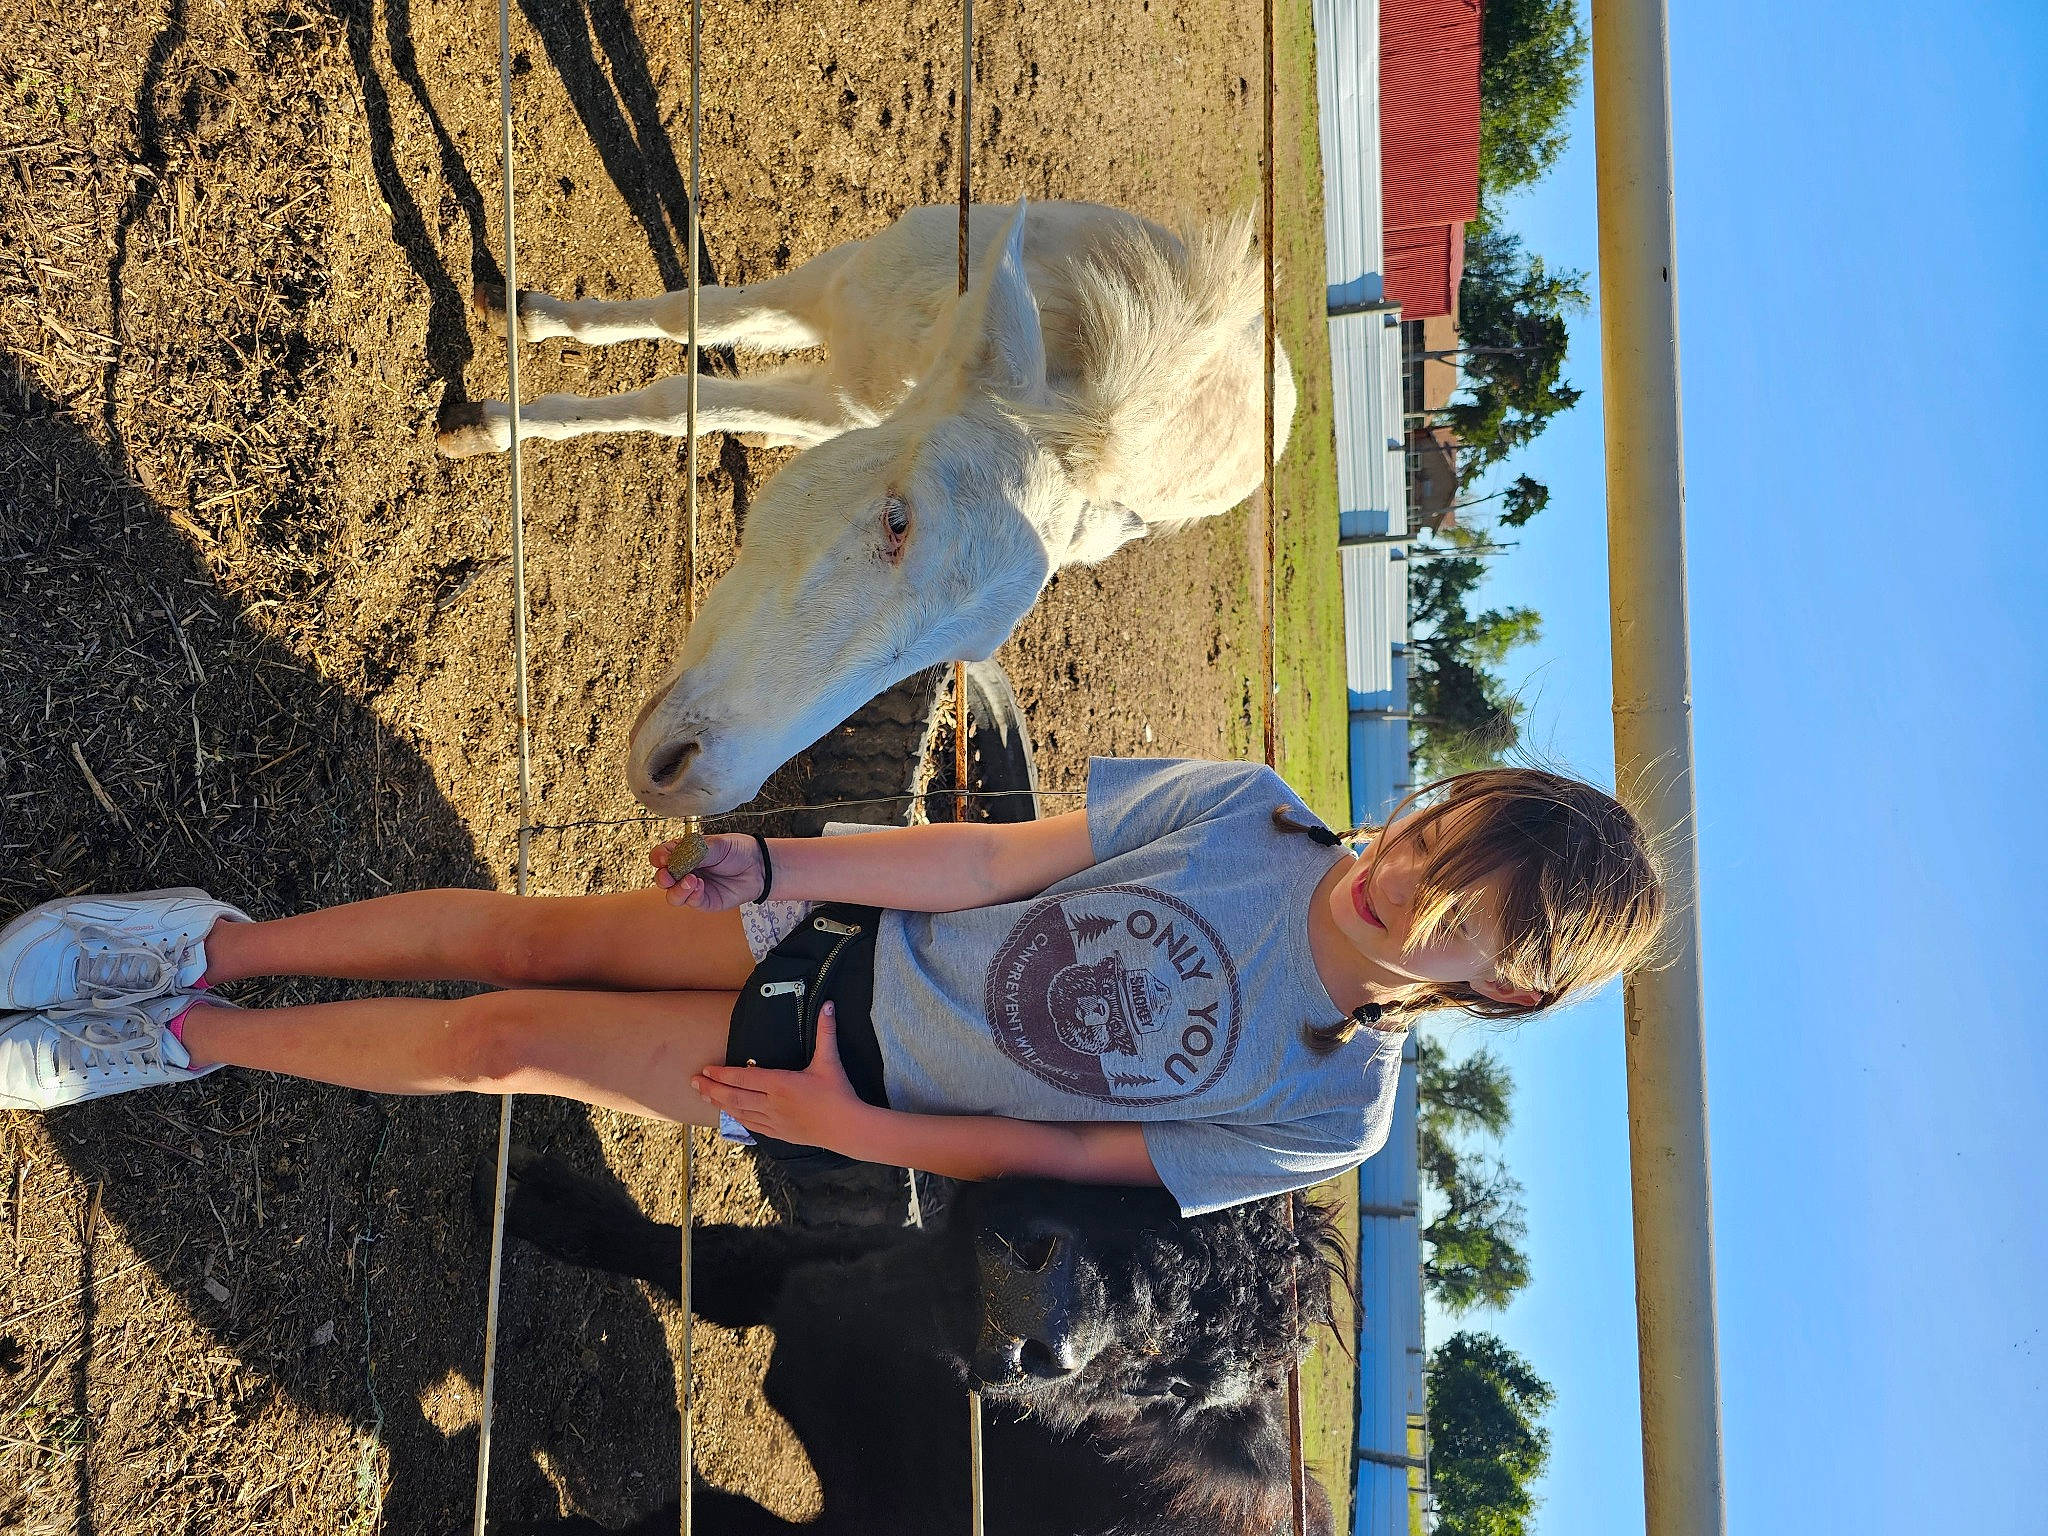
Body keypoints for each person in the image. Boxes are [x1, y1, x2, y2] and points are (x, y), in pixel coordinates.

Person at [0, 758, 1663, 1215]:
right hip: (826, 943)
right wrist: (783, 870)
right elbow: (994, 862)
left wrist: (845, 1130)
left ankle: (171, 1037)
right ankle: (207, 945)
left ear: (1498, 991)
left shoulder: (1328, 1107)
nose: (1402, 879)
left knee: (506, 1045)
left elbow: (1069, 1160)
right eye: (1435, 830)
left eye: (1451, 911)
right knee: (524, 941)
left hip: (851, 1085)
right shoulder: (1247, 811)